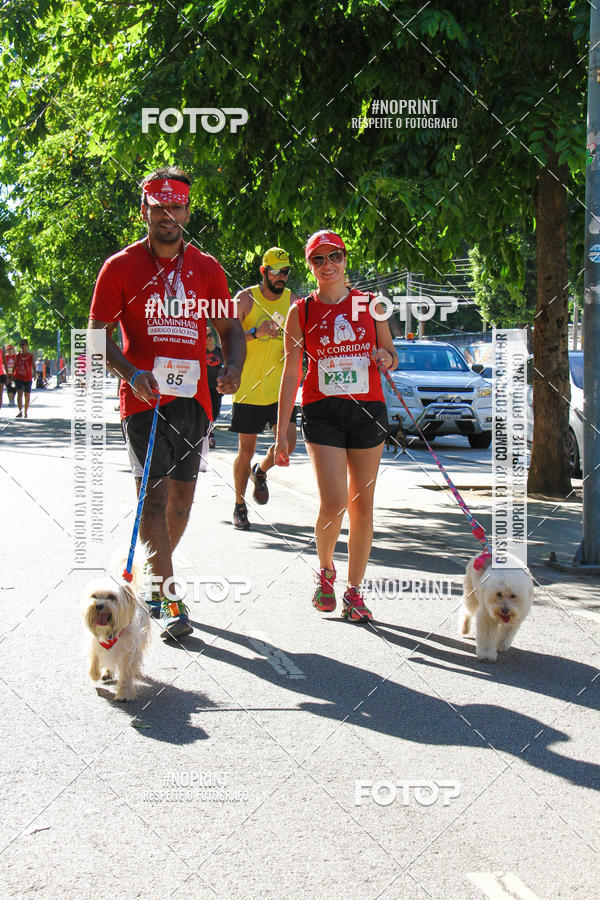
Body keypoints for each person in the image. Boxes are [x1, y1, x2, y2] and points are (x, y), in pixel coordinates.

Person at [89, 165, 245, 640]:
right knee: (152, 500)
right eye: (158, 206)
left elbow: (230, 329)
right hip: (143, 401)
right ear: (144, 211)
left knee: (181, 505)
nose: (166, 215)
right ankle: (171, 598)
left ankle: (148, 583)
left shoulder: (207, 268)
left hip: (194, 401)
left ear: (186, 212)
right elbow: (97, 337)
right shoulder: (119, 267)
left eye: (175, 206)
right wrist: (131, 372)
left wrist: (233, 367)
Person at [274, 230, 398, 622]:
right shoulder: (301, 312)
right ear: (310, 267)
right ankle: (326, 571)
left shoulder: (370, 305)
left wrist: (384, 358)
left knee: (363, 508)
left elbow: (391, 354)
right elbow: (291, 372)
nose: (328, 265)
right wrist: (282, 429)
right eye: (318, 260)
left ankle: (355, 592)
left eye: (335, 257)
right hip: (322, 410)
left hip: (367, 410)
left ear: (345, 259)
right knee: (334, 502)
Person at [230, 247, 301, 530]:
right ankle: (239, 505)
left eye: (286, 272)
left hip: (281, 388)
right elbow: (228, 337)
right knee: (245, 450)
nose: (282, 277)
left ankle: (260, 471)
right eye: (276, 272)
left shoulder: (294, 301)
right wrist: (255, 333)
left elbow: (302, 339)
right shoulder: (245, 299)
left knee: (289, 444)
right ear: (263, 271)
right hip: (249, 388)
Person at [206, 323, 224, 448]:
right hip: (204, 387)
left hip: (216, 388)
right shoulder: (200, 351)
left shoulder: (219, 351)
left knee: (214, 413)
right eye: (206, 335)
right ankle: (209, 435)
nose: (209, 337)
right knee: (206, 413)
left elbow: (227, 367)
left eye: (211, 335)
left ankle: (208, 433)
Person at [12, 339, 35, 418]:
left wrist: (35, 374)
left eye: (23, 344)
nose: (22, 346)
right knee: (20, 393)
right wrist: (12, 374)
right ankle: (20, 411)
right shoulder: (18, 355)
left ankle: (26, 412)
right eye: (20, 345)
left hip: (28, 378)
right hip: (18, 377)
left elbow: (33, 365)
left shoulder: (31, 355)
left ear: (27, 345)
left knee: (27, 396)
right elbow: (15, 365)